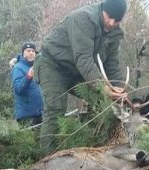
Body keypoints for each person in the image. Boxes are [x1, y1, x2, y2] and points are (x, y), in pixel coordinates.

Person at [36, 0, 128, 153]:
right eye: (109, 17)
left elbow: (111, 65)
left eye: (117, 20)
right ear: (102, 9)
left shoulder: (114, 33)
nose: (112, 23)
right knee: (56, 110)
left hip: (76, 71)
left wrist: (119, 89)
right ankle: (48, 160)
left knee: (100, 102)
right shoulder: (83, 18)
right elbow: (83, 58)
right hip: (53, 65)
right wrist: (102, 86)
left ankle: (94, 148)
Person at [11, 42, 43, 126]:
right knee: (30, 139)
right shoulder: (17, 67)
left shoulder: (38, 67)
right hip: (26, 116)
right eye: (28, 51)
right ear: (23, 53)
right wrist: (28, 76)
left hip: (40, 114)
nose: (31, 53)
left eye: (33, 51)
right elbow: (18, 89)